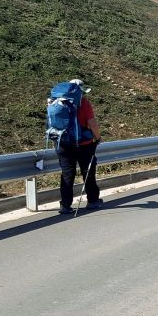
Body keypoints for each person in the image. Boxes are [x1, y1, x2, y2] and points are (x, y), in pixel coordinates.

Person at [57, 79, 103, 214]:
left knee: (67, 175)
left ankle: (65, 205)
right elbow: (92, 123)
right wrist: (98, 137)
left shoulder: (58, 102)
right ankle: (93, 201)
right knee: (88, 173)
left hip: (64, 144)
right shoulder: (84, 103)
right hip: (83, 144)